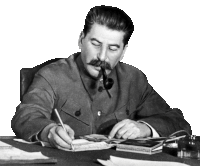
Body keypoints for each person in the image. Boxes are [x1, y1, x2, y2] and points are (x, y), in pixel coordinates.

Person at [12, 6, 191, 150]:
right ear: (81, 40)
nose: (102, 57)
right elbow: (26, 114)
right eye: (95, 44)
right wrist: (49, 131)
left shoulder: (134, 78)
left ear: (123, 52)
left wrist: (144, 128)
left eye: (113, 48)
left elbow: (177, 121)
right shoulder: (52, 75)